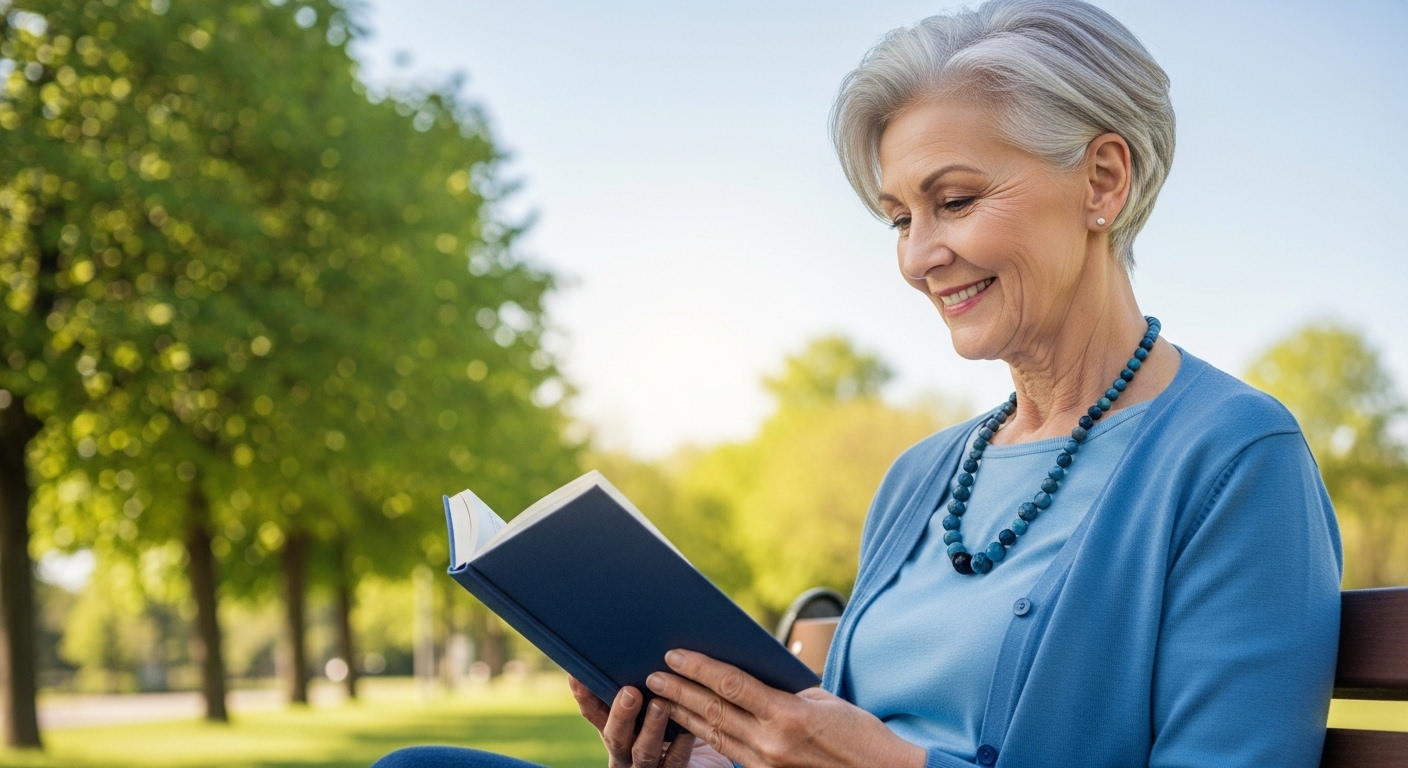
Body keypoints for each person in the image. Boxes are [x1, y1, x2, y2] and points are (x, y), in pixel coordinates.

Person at [374, 1, 1342, 766]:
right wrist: (710, 752)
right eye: (896, 217)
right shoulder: (921, 478)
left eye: (954, 201)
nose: (921, 256)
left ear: (1101, 181)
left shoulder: (1232, 461)